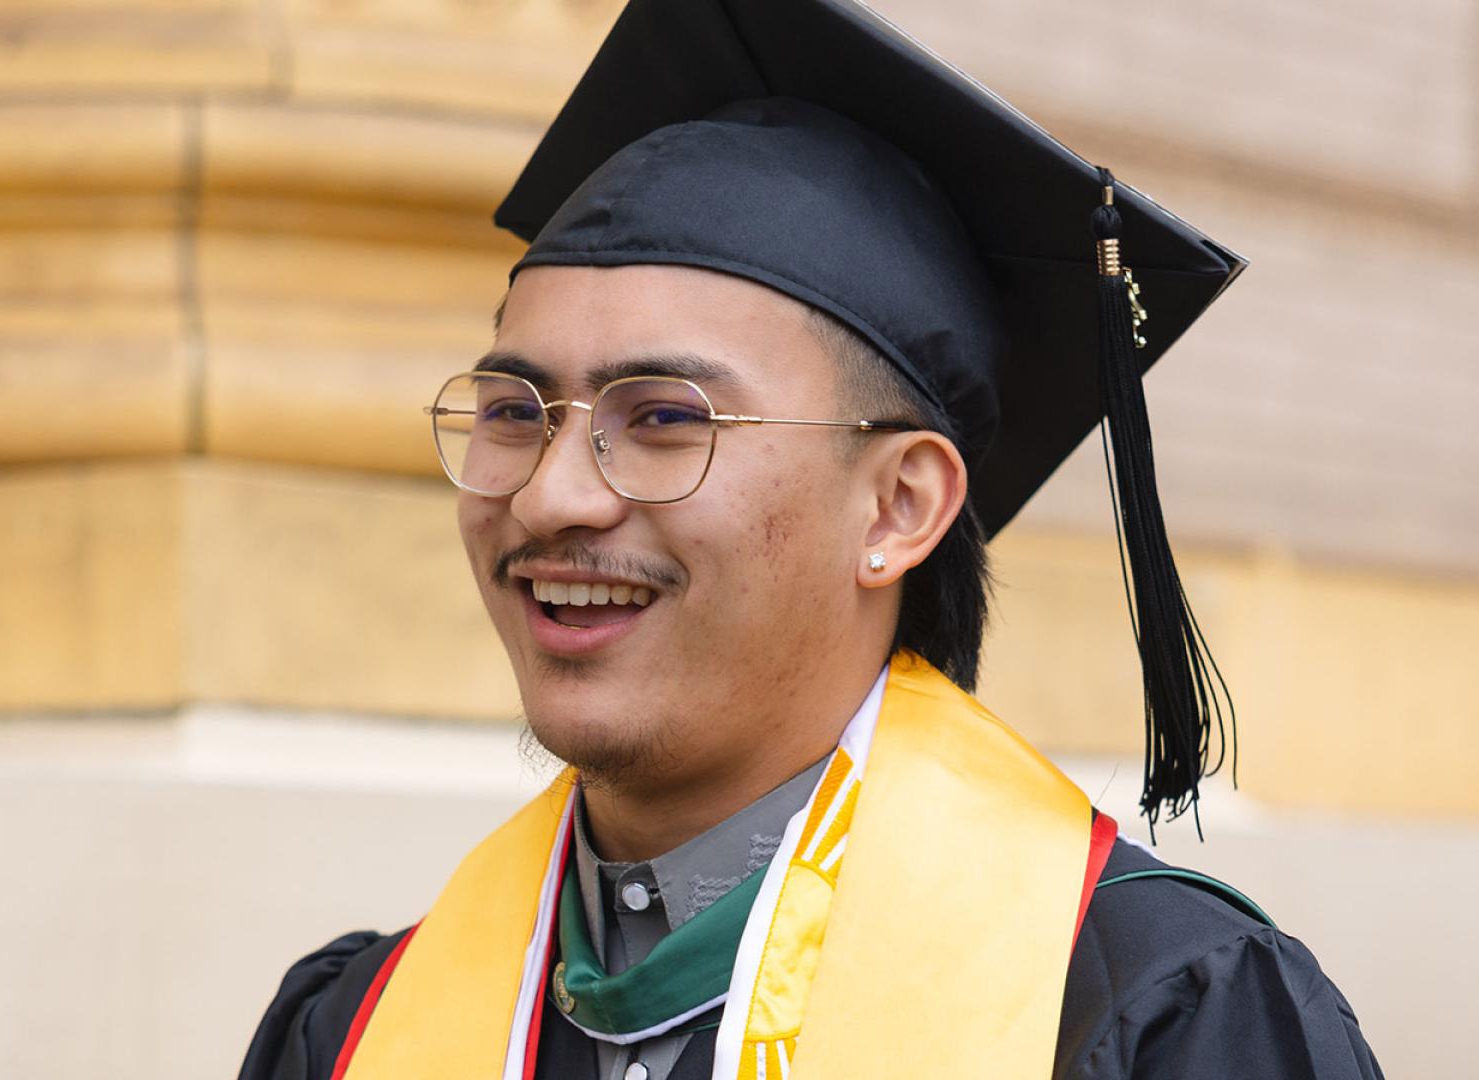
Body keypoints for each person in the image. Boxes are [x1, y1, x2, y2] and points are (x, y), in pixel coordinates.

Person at [240, 0, 1383, 1076]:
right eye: (513, 413)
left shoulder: (1157, 1016)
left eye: (664, 420)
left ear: (898, 509)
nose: (549, 499)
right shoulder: (358, 1027)